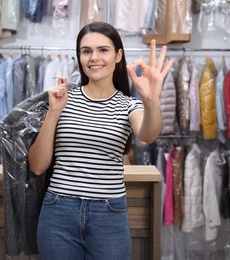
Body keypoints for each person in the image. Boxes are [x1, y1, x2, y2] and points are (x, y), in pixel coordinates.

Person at [28, 21, 174, 260]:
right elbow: (37, 165)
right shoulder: (61, 99)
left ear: (118, 56)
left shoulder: (129, 105)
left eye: (103, 50)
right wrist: (53, 112)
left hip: (109, 215)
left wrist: (151, 100)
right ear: (79, 56)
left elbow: (147, 134)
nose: (94, 57)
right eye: (86, 51)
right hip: (58, 212)